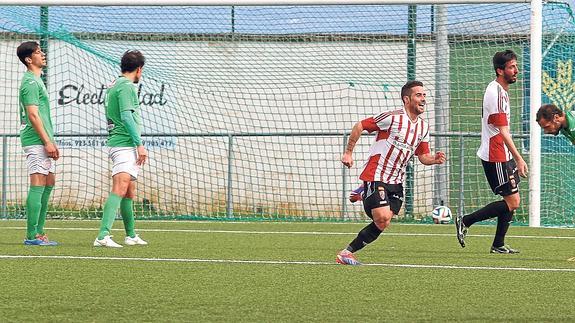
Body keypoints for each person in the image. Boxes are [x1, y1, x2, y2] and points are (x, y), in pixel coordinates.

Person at [336, 80, 446, 265]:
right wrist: (348, 153)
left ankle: (347, 251)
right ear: (406, 99)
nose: (423, 99)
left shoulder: (423, 128)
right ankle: (345, 252)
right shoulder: (393, 118)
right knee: (382, 216)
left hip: (396, 180)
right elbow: (360, 125)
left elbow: (423, 156)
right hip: (376, 173)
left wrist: (433, 159)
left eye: (424, 95)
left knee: (383, 223)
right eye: (419, 95)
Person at [455, 50, 528, 253]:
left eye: (516, 66)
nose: (516, 70)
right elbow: (502, 131)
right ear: (500, 70)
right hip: (495, 154)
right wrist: (519, 158)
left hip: (503, 153)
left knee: (513, 201)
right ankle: (465, 221)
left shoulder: (502, 91)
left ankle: (498, 244)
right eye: (512, 67)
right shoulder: (494, 92)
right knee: (512, 202)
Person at [94, 50, 148, 248]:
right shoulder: (126, 87)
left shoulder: (115, 85)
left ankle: (131, 235)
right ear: (139, 69)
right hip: (123, 144)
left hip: (122, 144)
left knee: (129, 191)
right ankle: (102, 235)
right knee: (119, 187)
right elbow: (126, 116)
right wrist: (139, 144)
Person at [17, 41, 59, 246]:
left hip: (44, 140)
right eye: (38, 52)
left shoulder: (36, 80)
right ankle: (32, 235)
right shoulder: (30, 83)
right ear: (28, 59)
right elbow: (33, 115)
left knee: (49, 182)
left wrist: (50, 141)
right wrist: (46, 142)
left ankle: (40, 231)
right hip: (36, 141)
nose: (42, 54)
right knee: (38, 182)